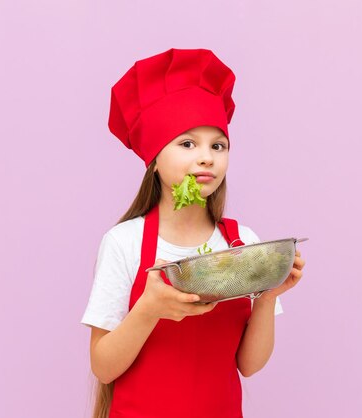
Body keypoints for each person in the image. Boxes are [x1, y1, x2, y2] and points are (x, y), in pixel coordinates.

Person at [80, 48, 306, 418]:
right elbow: (103, 367)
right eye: (187, 143)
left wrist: (266, 296)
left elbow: (249, 365)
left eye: (218, 146)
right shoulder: (125, 242)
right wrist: (148, 309)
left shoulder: (243, 243)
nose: (207, 157)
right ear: (154, 161)